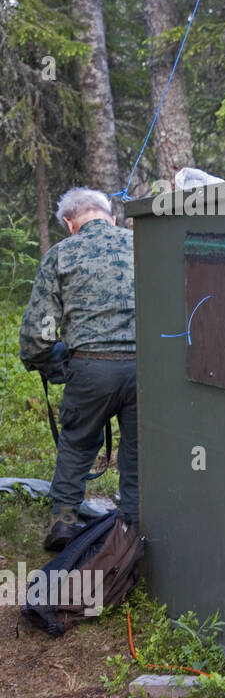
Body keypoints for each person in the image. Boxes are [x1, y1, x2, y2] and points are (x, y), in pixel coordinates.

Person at [19, 187, 137, 552]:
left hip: (90, 368)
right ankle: (134, 528)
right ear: (110, 217)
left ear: (70, 224)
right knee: (139, 451)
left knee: (76, 442)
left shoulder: (61, 254)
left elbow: (39, 332)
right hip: (147, 369)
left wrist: (47, 361)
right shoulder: (142, 245)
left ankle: (65, 522)